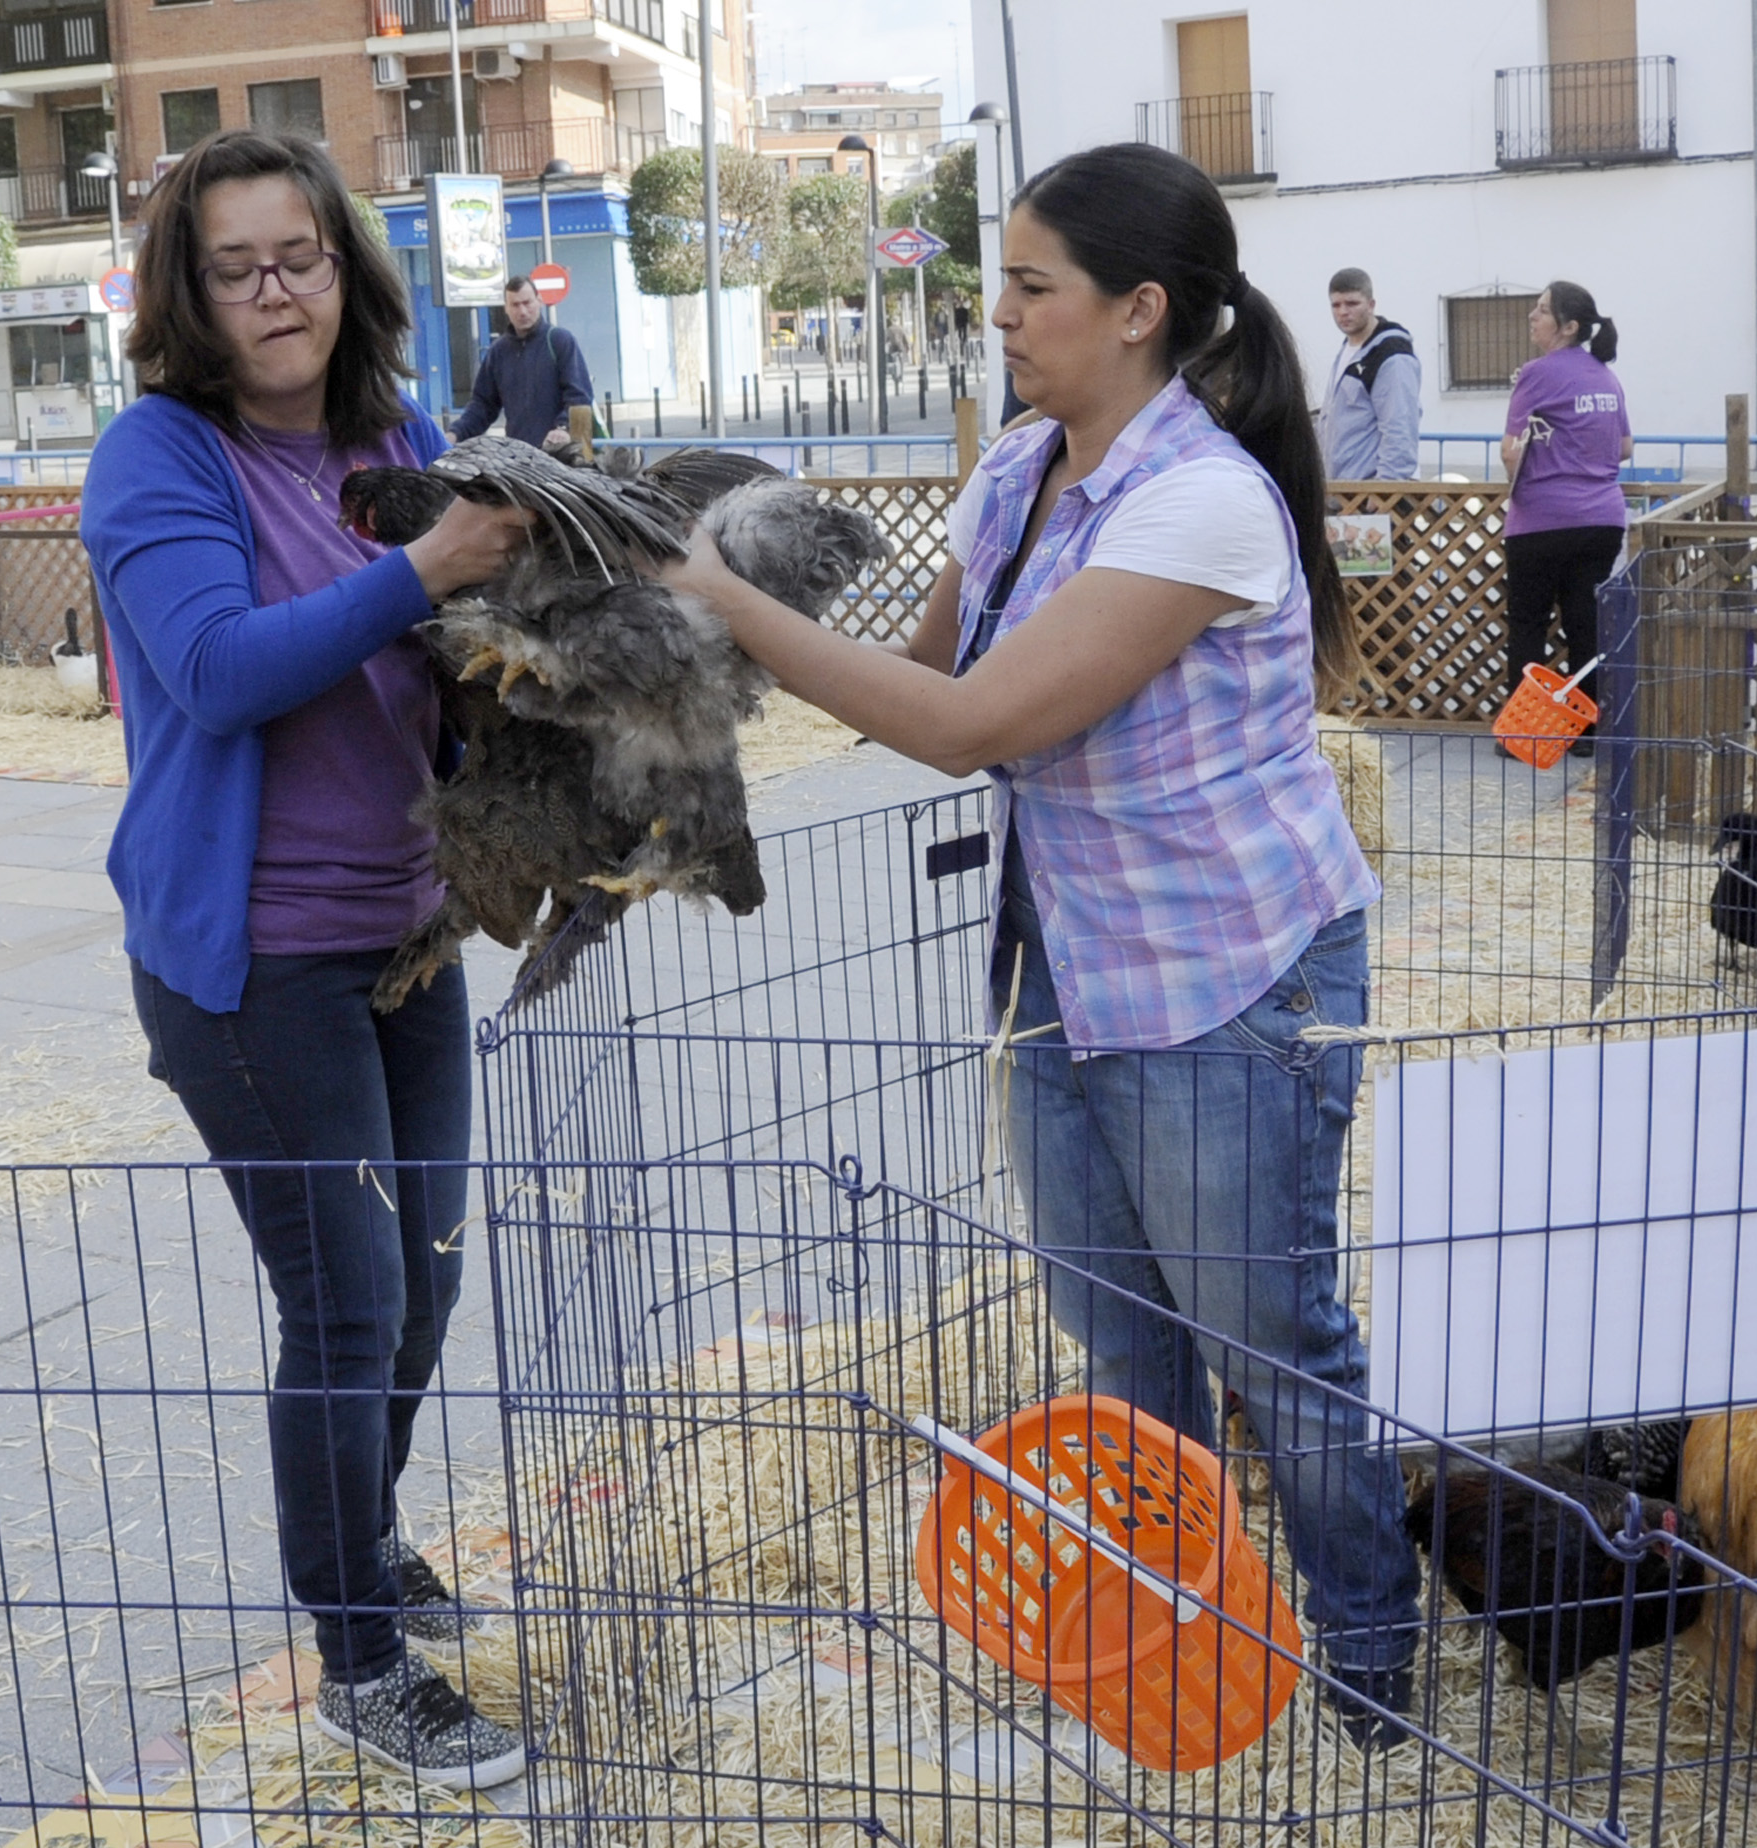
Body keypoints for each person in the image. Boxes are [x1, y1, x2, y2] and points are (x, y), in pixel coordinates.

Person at [660, 140, 1426, 1753]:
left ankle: (1366, 1653)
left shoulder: (1202, 501)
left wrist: (721, 601)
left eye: (1029, 286)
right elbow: (919, 676)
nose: (995, 314)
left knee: (1271, 1344)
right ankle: (1178, 1633)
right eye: (994, 283)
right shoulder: (1020, 471)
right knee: (1121, 1344)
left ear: (1139, 309)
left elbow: (968, 726)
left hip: (1226, 978)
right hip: (1065, 967)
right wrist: (727, 613)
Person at [80, 129, 537, 1791]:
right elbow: (216, 670)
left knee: (423, 1281)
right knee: (347, 1304)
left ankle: (362, 1541)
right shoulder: (158, 457)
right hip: (257, 961)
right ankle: (357, 1659)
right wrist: (424, 571)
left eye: (302, 256)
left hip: (407, 935)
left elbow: (430, 665)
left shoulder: (392, 435)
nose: (277, 292)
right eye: (237, 268)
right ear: (189, 296)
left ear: (345, 268)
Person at [1498, 280, 1631, 748]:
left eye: (1541, 310)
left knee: (1528, 624)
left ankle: (1529, 733)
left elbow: (1510, 451)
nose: (1532, 316)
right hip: (1602, 517)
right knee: (1585, 625)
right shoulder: (1606, 377)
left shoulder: (1537, 373)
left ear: (1568, 326)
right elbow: (1624, 447)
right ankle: (1586, 732)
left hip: (1542, 518)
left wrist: (1540, 457)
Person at [451, 272, 593, 449]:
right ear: (506, 308)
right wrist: (455, 433)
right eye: (515, 305)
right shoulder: (498, 352)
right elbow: (482, 406)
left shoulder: (560, 341)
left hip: (564, 454)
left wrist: (564, 429)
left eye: (527, 303)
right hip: (522, 456)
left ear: (539, 301)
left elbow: (580, 398)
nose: (523, 311)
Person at [1318, 267, 1421, 479]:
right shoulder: (1348, 348)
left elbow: (1399, 427)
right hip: (1342, 488)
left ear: (1371, 305)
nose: (1343, 312)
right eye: (1336, 305)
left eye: (1352, 303)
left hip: (1371, 489)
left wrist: (1386, 488)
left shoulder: (1391, 355)